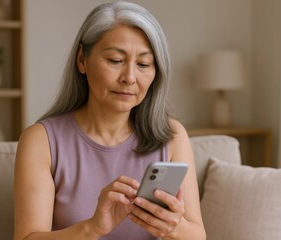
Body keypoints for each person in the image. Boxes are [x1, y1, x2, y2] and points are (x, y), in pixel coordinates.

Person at [13, 1, 206, 240]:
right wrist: (93, 228)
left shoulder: (172, 136)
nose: (130, 78)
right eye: (116, 61)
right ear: (82, 60)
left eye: (144, 64)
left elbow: (198, 235)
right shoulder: (41, 140)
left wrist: (174, 227)